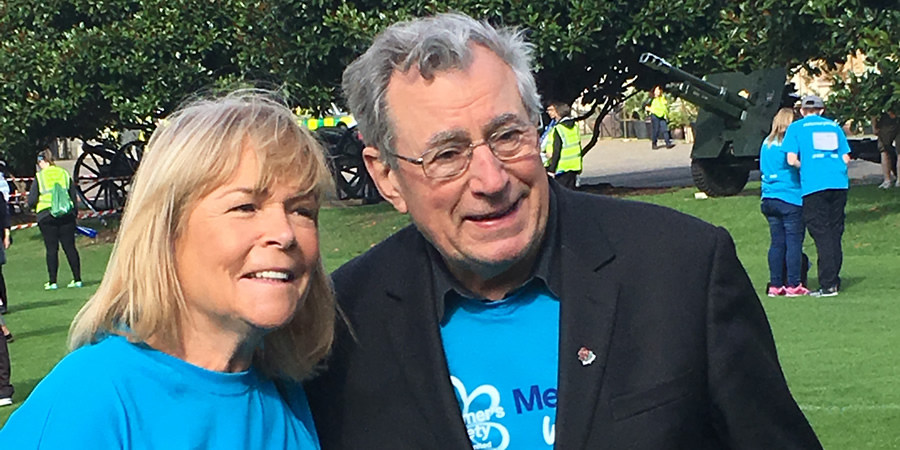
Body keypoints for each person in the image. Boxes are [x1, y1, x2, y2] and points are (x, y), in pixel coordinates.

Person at [306, 12, 821, 449]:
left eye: (508, 136)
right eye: (447, 155)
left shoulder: (682, 269)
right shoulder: (339, 327)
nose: (491, 179)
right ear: (387, 176)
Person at [0, 91, 334, 448]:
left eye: (302, 210)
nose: (284, 234)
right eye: (246, 206)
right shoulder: (92, 401)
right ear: (167, 230)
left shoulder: (289, 390)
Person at [783, 95, 851, 298]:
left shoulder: (796, 128)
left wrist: (806, 167)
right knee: (834, 231)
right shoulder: (834, 127)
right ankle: (833, 280)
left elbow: (791, 159)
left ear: (803, 111)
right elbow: (846, 158)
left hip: (814, 185)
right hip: (839, 183)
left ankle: (828, 283)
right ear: (822, 110)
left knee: (821, 232)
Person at [760, 108, 809, 297]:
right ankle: (794, 283)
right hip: (789, 196)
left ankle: (775, 283)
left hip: (769, 195)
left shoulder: (766, 143)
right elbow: (794, 164)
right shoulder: (789, 143)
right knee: (794, 242)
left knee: (777, 243)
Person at [27, 149, 82, 290]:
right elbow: (72, 195)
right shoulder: (63, 173)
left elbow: (32, 200)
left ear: (43, 161)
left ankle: (53, 281)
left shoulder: (40, 177)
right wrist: (74, 213)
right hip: (66, 214)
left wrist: (32, 207)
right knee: (70, 247)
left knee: (52, 249)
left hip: (46, 215)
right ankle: (77, 279)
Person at [541, 102, 583, 190]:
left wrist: (551, 169)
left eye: (551, 110)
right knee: (571, 194)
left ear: (558, 112)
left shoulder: (558, 128)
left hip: (561, 168)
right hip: (574, 166)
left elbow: (557, 150)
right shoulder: (575, 126)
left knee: (561, 196)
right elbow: (578, 145)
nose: (549, 112)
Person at [872, 110, 899, 188]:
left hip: (885, 123)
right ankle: (898, 180)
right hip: (891, 120)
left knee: (884, 151)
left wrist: (874, 125)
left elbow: (873, 110)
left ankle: (887, 180)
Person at [645, 85, 675, 150]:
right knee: (656, 130)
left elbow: (664, 106)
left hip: (662, 115)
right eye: (657, 90)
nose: (658, 91)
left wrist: (666, 113)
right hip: (655, 115)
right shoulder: (651, 98)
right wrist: (650, 109)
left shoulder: (662, 97)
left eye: (659, 90)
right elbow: (645, 106)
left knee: (665, 129)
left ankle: (668, 143)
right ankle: (654, 143)